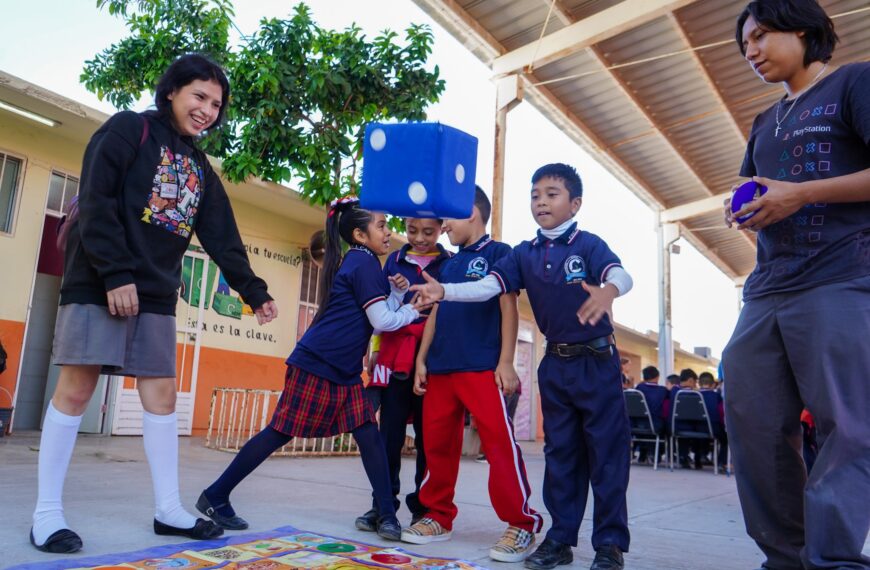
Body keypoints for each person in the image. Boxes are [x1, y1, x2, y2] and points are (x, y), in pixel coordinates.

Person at [28, 54, 279, 554]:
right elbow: (96, 200)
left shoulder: (200, 167)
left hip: (158, 293)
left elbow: (221, 235)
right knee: (76, 390)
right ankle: (46, 515)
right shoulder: (128, 130)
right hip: (100, 279)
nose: (207, 109)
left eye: (216, 104)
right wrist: (116, 273)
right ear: (172, 91)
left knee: (161, 396)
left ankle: (169, 510)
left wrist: (254, 292)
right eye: (198, 96)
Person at [412, 164, 634, 570]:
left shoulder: (588, 245)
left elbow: (620, 273)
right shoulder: (523, 254)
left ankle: (609, 544)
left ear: (574, 203)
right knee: (561, 455)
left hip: (598, 362)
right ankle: (560, 539)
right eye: (535, 195)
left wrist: (609, 291)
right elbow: (490, 287)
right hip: (556, 364)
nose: (541, 202)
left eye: (552, 194)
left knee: (606, 456)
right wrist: (444, 289)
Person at [724, 1, 870, 567]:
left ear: (804, 29)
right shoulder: (763, 123)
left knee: (848, 429)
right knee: (755, 428)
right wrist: (740, 209)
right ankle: (784, 557)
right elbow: (754, 191)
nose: (751, 51)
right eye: (744, 45)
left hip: (841, 277)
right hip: (766, 289)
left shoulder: (855, 83)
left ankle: (834, 560)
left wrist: (802, 193)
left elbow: (794, 192)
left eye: (760, 36)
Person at [197, 199, 426, 541]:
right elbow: (382, 322)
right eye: (381, 226)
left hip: (342, 370)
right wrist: (413, 310)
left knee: (369, 436)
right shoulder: (362, 263)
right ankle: (215, 495)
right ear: (360, 234)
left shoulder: (363, 263)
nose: (388, 232)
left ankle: (387, 515)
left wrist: (395, 293)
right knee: (280, 432)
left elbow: (374, 317)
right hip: (318, 365)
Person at [400, 187, 543, 564]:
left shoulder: (500, 254)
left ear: (472, 214)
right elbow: (435, 312)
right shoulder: (447, 264)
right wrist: (422, 360)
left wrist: (506, 361)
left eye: (449, 218)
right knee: (437, 446)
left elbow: (508, 308)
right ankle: (437, 517)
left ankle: (521, 523)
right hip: (441, 368)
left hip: (482, 366)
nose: (443, 226)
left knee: (498, 445)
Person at [356, 217, 451, 530]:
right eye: (412, 231)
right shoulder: (394, 260)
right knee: (389, 437)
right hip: (396, 358)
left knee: (429, 439)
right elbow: (380, 308)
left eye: (429, 232)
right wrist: (376, 350)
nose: (420, 238)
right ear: (405, 227)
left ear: (441, 229)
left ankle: (423, 508)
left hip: (433, 362)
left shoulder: (449, 264)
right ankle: (382, 505)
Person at [633, 366, 668, 464]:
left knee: (645, 422)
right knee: (663, 423)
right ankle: (654, 454)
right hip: (655, 425)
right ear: (657, 377)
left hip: (637, 425)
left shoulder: (638, 389)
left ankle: (643, 453)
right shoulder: (663, 390)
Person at [698, 372, 726, 469]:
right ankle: (721, 462)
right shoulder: (716, 396)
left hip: (695, 428)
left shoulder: (694, 394)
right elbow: (720, 412)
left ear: (698, 383)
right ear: (713, 384)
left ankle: (699, 458)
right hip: (712, 428)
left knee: (701, 433)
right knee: (726, 438)